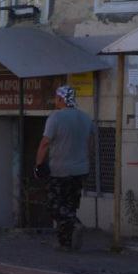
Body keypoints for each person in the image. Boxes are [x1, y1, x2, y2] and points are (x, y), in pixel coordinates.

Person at [35, 85, 95, 250]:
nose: (55, 100)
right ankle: (66, 244)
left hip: (60, 171)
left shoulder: (55, 118)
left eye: (56, 97)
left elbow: (45, 143)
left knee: (54, 205)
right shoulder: (86, 118)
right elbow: (91, 144)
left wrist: (39, 164)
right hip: (81, 170)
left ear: (61, 99)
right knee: (70, 206)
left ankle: (74, 224)